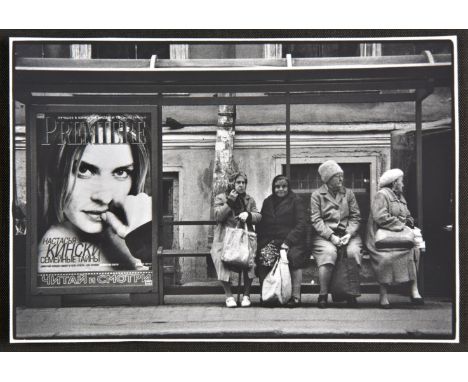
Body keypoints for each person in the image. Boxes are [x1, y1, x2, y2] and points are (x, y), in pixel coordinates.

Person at [38, 120, 152, 273]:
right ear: (54, 174)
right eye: (84, 170)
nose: (104, 198)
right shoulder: (55, 250)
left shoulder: (119, 238)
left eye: (121, 172)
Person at [366, 168, 424, 309]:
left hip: (397, 236)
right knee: (387, 258)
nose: (403, 184)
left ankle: (414, 289)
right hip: (381, 239)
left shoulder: (400, 198)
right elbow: (380, 217)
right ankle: (383, 295)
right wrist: (401, 226)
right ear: (394, 183)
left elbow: (407, 215)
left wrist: (409, 222)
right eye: (401, 181)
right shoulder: (382, 195)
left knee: (414, 250)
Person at [310, 160, 362, 308]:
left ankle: (351, 293)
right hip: (325, 235)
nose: (341, 179)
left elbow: (355, 217)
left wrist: (349, 234)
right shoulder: (317, 195)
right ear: (327, 178)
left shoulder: (349, 193)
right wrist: (331, 236)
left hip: (347, 233)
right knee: (328, 253)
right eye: (337, 176)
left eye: (341, 176)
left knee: (353, 252)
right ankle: (323, 294)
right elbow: (316, 220)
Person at [210, 172, 261, 308]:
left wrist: (249, 215)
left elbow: (258, 216)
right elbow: (218, 217)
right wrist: (230, 202)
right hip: (224, 238)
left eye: (243, 183)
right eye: (238, 182)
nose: (241, 185)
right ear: (232, 183)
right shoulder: (221, 198)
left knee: (251, 260)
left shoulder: (249, 200)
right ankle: (229, 296)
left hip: (244, 237)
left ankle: (246, 295)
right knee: (219, 258)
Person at [256, 175, 307, 307]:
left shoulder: (296, 201)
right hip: (272, 239)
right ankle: (267, 294)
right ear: (273, 188)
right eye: (277, 187)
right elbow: (262, 224)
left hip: (292, 241)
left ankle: (295, 296)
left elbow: (301, 224)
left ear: (288, 187)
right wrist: (263, 242)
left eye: (284, 186)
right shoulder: (268, 202)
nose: (281, 189)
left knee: (294, 257)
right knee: (264, 255)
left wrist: (288, 241)